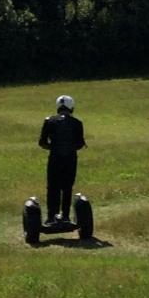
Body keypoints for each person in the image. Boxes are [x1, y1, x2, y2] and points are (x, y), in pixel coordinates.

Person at [38, 95, 86, 223]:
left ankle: (51, 216)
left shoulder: (49, 121)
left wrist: (53, 147)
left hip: (54, 158)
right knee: (67, 187)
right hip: (70, 159)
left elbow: (42, 142)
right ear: (71, 107)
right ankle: (65, 216)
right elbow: (80, 143)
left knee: (52, 187)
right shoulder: (77, 123)